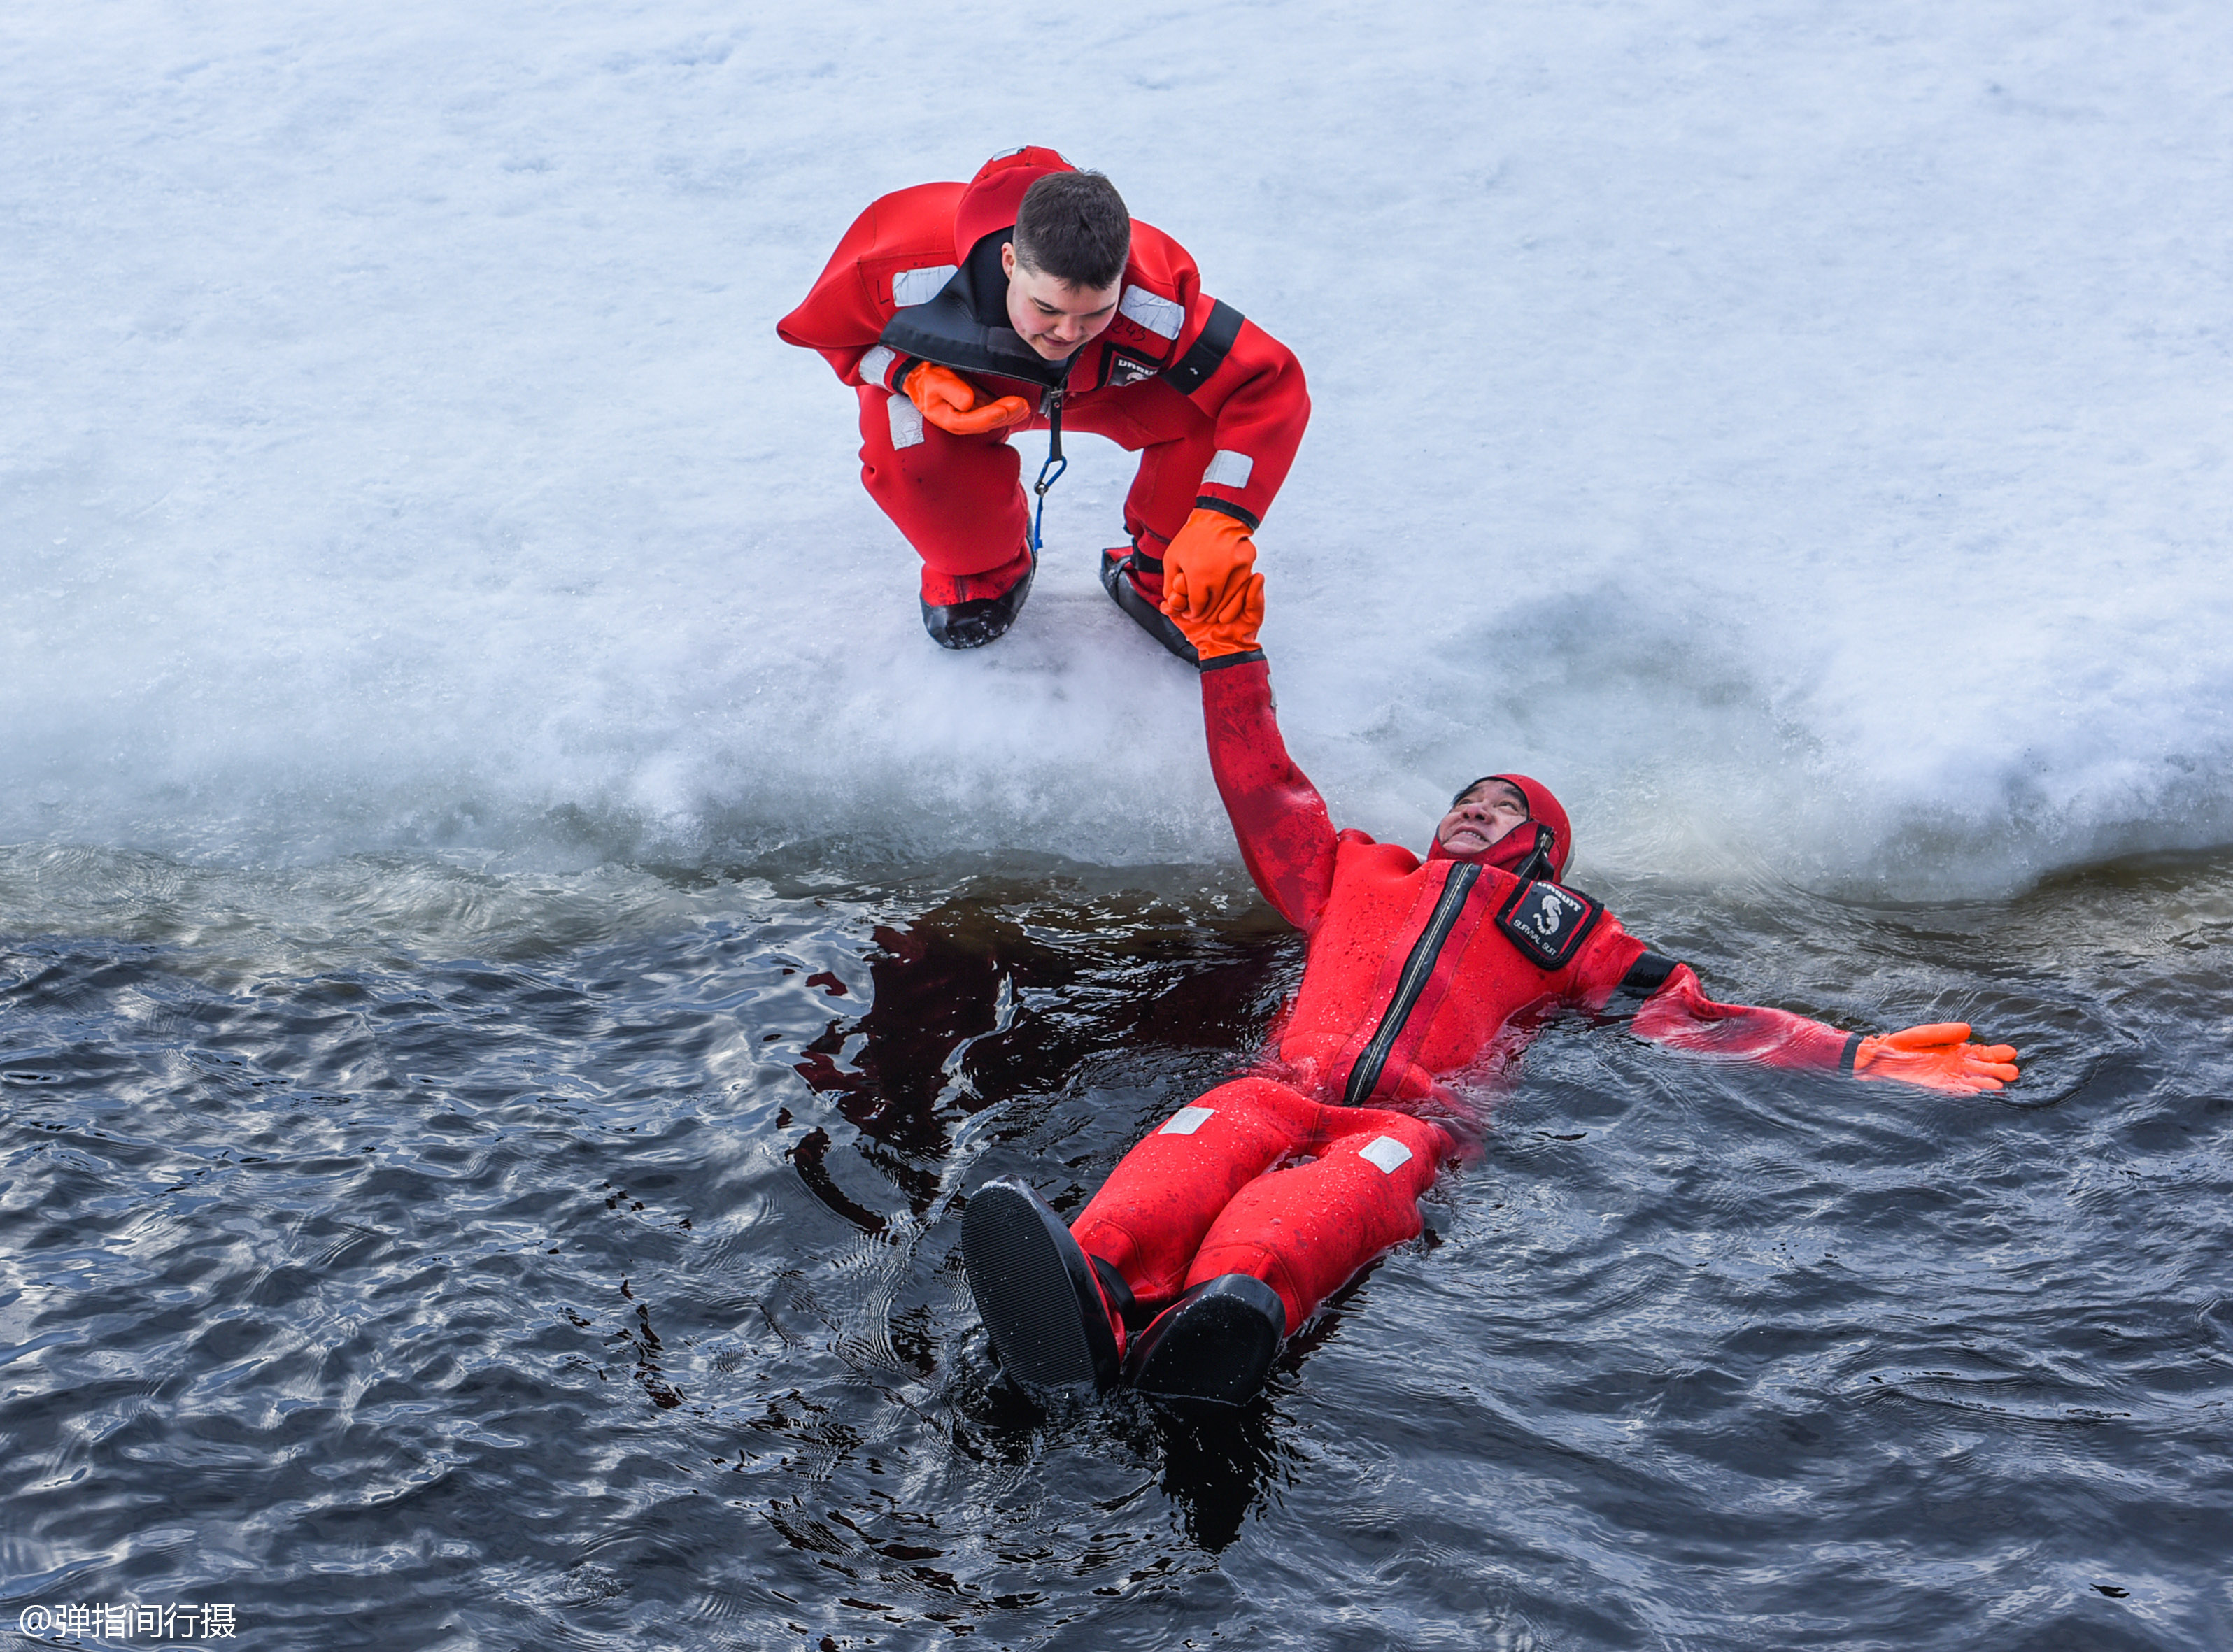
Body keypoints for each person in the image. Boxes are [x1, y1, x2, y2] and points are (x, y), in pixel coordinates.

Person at [961, 578, 2020, 1407]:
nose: (1471, 810)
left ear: (1542, 845)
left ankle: (1223, 1318)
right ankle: (1093, 1281)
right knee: (1195, 1144)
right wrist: (1231, 656)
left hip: (1408, 1117)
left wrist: (1849, 1052)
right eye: (1465, 798)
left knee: (1317, 1209)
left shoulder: (1562, 923)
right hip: (1281, 1081)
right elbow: (1261, 782)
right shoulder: (1355, 869)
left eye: (1501, 806)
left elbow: (1692, 1015)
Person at [777, 147, 1311, 653]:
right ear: (1010, 261)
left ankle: (1161, 569)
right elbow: (828, 335)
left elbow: (1268, 383)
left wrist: (1223, 517)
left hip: (1107, 392)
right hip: (965, 399)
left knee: (1213, 407)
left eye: (1096, 313)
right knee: (909, 449)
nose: (1067, 333)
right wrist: (909, 374)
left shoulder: (1154, 301)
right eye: (1046, 308)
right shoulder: (899, 270)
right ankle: (982, 569)